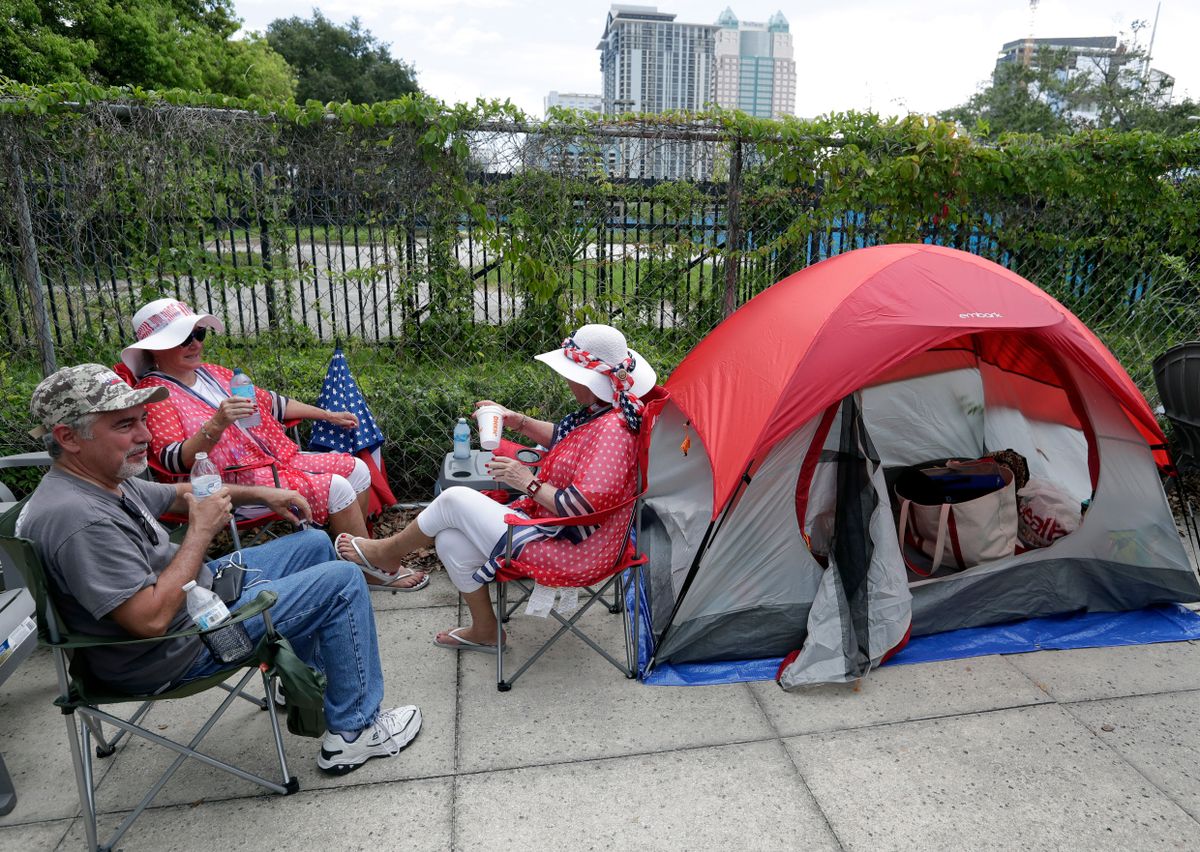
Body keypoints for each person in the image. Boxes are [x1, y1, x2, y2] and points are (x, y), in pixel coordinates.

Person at [15, 364, 422, 774]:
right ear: (68, 437)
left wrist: (260, 492)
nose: (145, 436)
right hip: (178, 647)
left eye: (142, 420)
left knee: (314, 544)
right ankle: (354, 733)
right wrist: (200, 532)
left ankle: (304, 683)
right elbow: (150, 620)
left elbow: (178, 492)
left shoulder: (99, 479)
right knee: (343, 581)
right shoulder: (80, 519)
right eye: (125, 425)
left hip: (194, 602)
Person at [336, 324, 655, 651]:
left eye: (570, 372)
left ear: (587, 379)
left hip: (572, 549)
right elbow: (565, 435)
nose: (566, 379)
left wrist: (525, 481)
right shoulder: (604, 413)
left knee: (454, 499)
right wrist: (516, 420)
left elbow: (581, 508)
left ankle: (386, 554)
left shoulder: (613, 432)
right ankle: (486, 630)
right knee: (449, 540)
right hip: (556, 529)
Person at [120, 298, 426, 591]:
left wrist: (328, 415)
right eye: (183, 338)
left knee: (357, 469)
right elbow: (173, 461)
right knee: (337, 488)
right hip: (227, 482)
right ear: (154, 349)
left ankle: (358, 559)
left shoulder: (212, 373)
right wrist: (217, 423)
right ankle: (374, 569)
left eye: (198, 333)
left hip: (273, 460)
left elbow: (272, 403)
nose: (195, 344)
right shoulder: (156, 393)